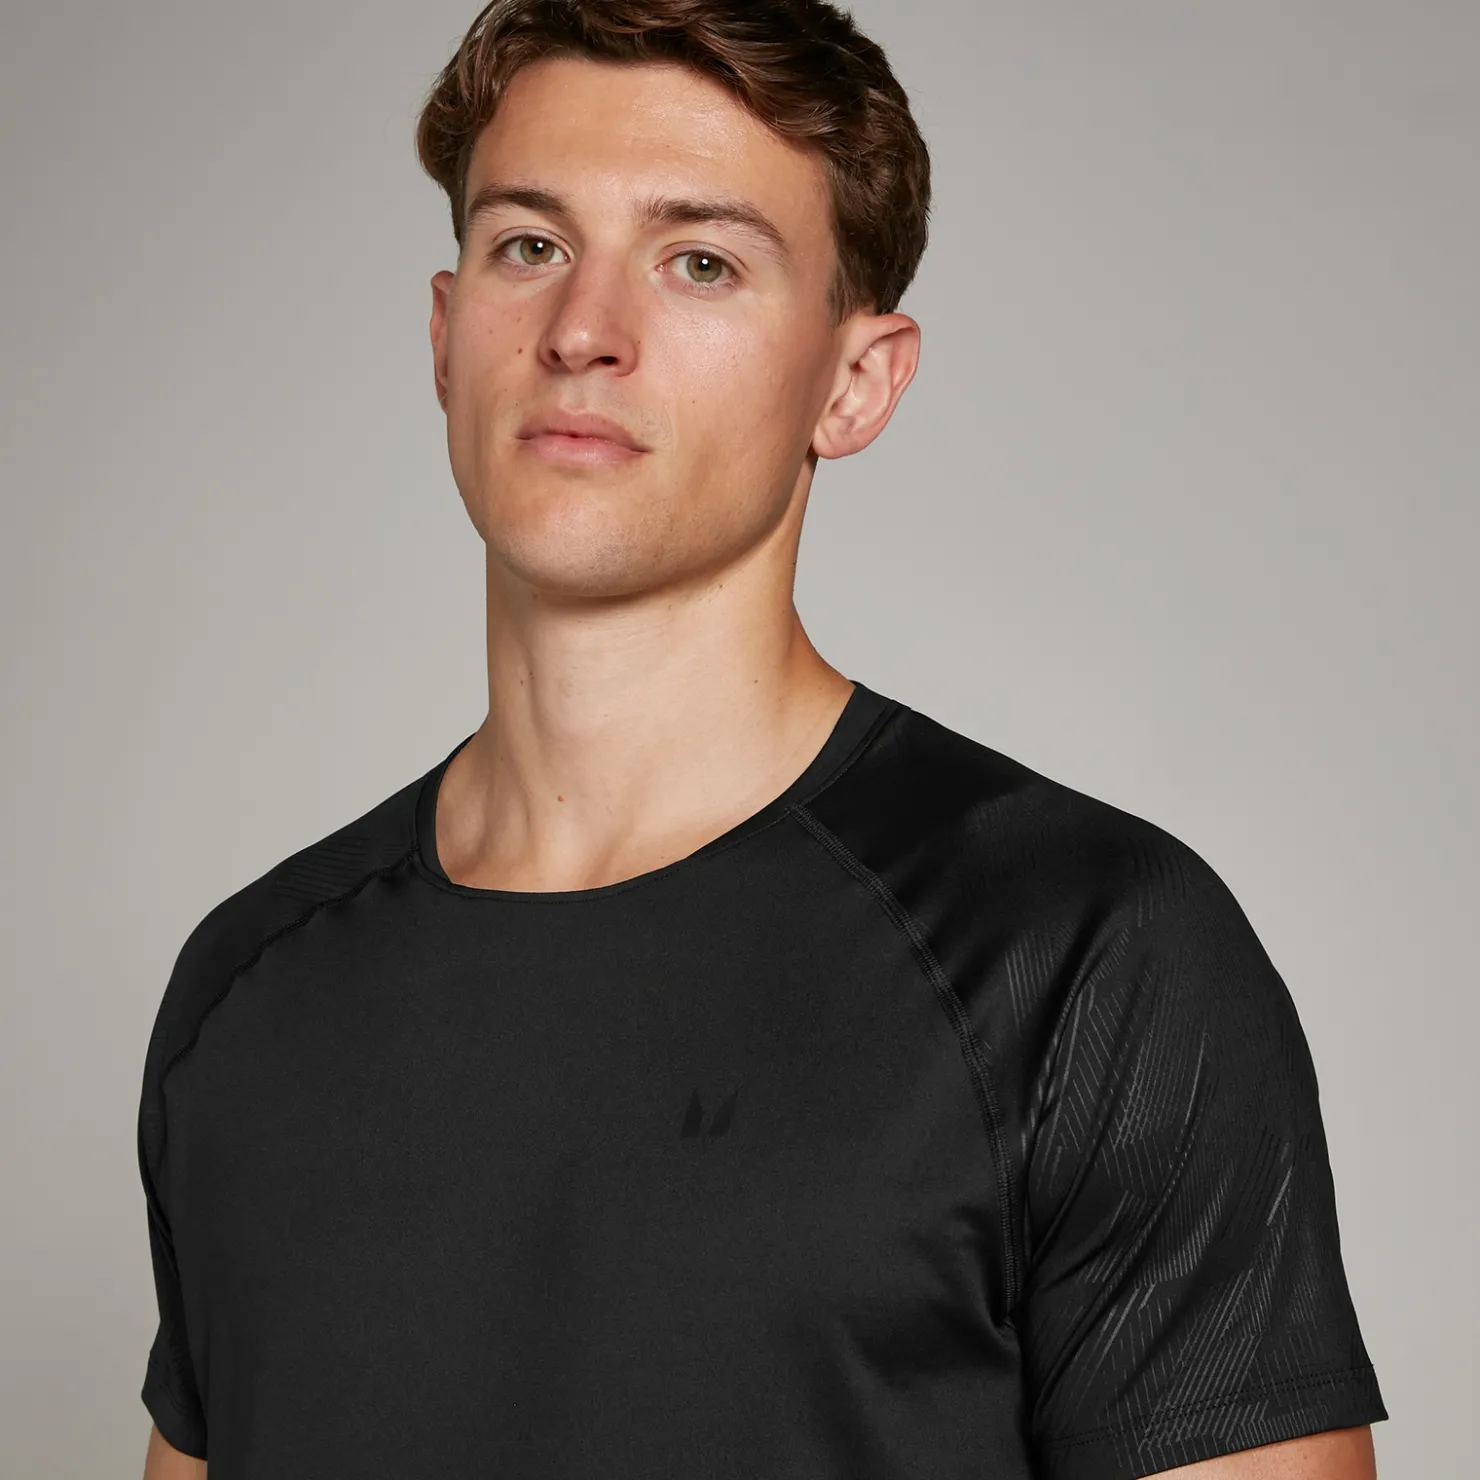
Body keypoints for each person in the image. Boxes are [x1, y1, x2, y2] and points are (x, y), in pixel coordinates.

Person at [136, 3, 1388, 1477]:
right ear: (444, 334)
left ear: (855, 383)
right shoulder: (250, 988)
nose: (582, 331)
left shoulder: (1083, 956)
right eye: (529, 244)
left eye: (701, 264)